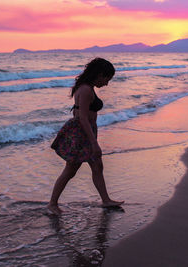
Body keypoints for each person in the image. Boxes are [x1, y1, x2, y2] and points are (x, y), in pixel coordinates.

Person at [48, 58, 124, 215]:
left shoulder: (88, 87)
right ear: (99, 74)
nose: (107, 83)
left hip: (88, 131)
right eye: (106, 79)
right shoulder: (85, 90)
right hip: (82, 133)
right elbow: (82, 118)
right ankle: (52, 204)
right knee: (70, 170)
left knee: (97, 166)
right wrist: (94, 143)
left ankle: (106, 201)